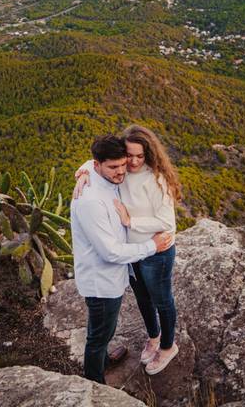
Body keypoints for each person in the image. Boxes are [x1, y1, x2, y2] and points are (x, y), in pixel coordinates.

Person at [74, 124, 181, 375]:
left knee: (162, 299)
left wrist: (131, 222)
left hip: (157, 250)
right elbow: (98, 161)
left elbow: (167, 222)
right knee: (143, 298)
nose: (131, 162)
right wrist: (83, 171)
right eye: (128, 155)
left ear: (149, 154)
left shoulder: (156, 179)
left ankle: (167, 346)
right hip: (133, 250)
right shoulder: (117, 170)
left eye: (139, 156)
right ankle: (153, 337)